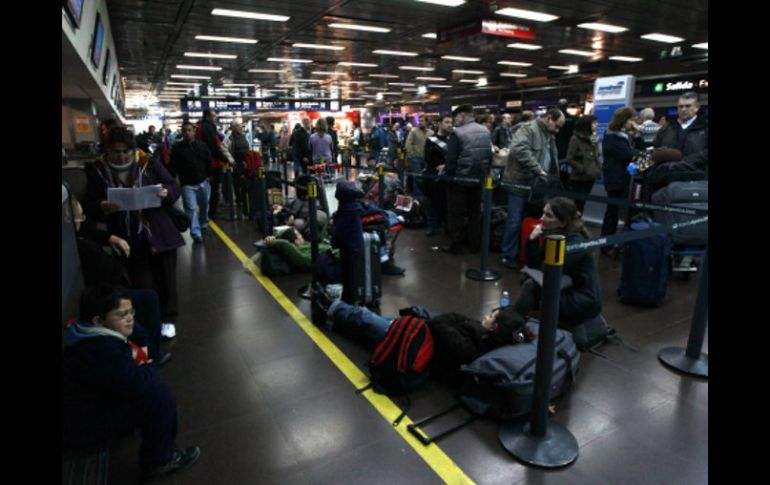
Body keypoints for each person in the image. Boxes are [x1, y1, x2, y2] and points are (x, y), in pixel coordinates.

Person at [63, 285, 200, 479]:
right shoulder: (102, 352)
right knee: (161, 397)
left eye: (131, 312)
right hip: (79, 427)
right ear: (98, 320)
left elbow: (136, 343)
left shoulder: (87, 333)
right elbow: (139, 384)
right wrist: (148, 366)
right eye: (122, 315)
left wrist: (141, 355)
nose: (130, 319)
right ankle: (159, 461)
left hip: (88, 406)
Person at [84, 126, 185, 339]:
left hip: (158, 231)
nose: (121, 157)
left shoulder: (148, 163)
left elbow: (172, 185)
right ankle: (150, 319)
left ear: (132, 150)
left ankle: (168, 319)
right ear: (108, 151)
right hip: (126, 236)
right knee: (142, 282)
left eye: (125, 152)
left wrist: (166, 193)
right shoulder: (98, 170)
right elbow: (89, 205)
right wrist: (102, 206)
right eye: (116, 152)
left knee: (167, 279)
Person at [312, 291, 533, 382]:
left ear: (494, 328)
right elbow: (450, 323)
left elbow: (441, 323)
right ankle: (335, 314)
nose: (486, 316)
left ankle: (329, 307)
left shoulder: (471, 349)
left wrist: (455, 320)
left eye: (491, 317)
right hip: (424, 334)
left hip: (417, 344)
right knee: (373, 322)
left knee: (367, 318)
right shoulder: (484, 337)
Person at [513, 197, 602, 326]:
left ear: (562, 222)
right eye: (543, 213)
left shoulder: (574, 243)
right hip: (568, 287)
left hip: (582, 300)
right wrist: (532, 239)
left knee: (530, 285)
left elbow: (546, 269)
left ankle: (510, 324)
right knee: (527, 279)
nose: (542, 218)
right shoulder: (555, 234)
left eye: (548, 215)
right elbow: (534, 264)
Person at [500, 108, 564, 269]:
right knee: (514, 220)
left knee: (530, 221)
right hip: (519, 182)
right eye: (556, 125)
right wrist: (538, 169)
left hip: (538, 186)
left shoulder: (549, 135)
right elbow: (519, 150)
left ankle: (528, 254)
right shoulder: (528, 129)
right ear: (549, 118)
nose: (558, 130)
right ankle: (508, 255)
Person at [442, 104, 492, 254]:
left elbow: (451, 159)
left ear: (462, 115)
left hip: (459, 180)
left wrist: (448, 175)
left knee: (456, 214)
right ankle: (474, 244)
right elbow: (489, 155)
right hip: (478, 180)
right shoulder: (485, 130)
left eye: (456, 117)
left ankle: (456, 245)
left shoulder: (457, 133)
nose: (454, 121)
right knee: (474, 214)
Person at [600, 106, 642, 247]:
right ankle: (607, 244)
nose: (634, 123)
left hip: (622, 178)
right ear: (625, 120)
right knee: (612, 212)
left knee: (616, 211)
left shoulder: (623, 136)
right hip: (615, 180)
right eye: (632, 120)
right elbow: (629, 155)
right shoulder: (612, 137)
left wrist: (636, 136)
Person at [170, 121, 213, 242]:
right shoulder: (177, 148)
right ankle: (195, 233)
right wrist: (172, 180)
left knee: (204, 207)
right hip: (187, 184)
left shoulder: (202, 146)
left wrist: (209, 176)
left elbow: (208, 161)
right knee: (191, 209)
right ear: (182, 132)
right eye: (185, 130)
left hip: (203, 182)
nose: (187, 133)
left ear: (194, 132)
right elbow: (173, 166)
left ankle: (203, 224)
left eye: (190, 130)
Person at [653, 91, 708, 172]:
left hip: (695, 176)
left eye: (688, 106)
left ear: (697, 107)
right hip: (666, 175)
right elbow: (655, 147)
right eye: (680, 106)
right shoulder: (667, 127)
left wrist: (685, 162)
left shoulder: (704, 127)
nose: (683, 109)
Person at [565, 114, 601, 213]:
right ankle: (574, 222)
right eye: (594, 123)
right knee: (579, 203)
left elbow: (596, 154)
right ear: (587, 124)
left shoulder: (593, 136)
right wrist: (582, 168)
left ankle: (578, 221)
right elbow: (569, 158)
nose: (596, 125)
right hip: (579, 177)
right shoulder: (575, 139)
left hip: (591, 175)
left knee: (584, 202)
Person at [263, 227, 336, 273]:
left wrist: (275, 237)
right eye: (299, 235)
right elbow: (284, 244)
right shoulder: (301, 254)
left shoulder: (306, 244)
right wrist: (271, 241)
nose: (301, 236)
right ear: (296, 240)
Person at [404, 116, 433, 197]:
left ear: (427, 122)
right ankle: (417, 197)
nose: (420, 122)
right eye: (419, 121)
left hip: (427, 159)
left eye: (422, 121)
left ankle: (424, 195)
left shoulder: (431, 133)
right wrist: (411, 155)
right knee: (417, 178)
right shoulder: (413, 131)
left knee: (425, 178)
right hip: (416, 159)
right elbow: (408, 144)